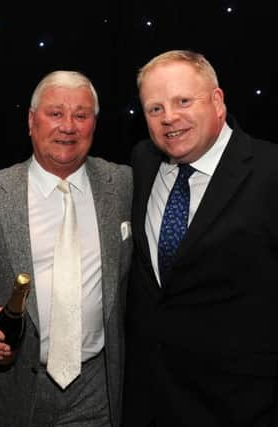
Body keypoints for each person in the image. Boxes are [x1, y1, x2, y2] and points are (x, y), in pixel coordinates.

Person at [0, 71, 132, 426]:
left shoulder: (123, 184)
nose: (68, 126)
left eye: (81, 115)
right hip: (14, 385)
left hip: (98, 385)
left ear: (94, 124)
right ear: (31, 121)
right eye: (55, 113)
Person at [123, 50, 278, 426]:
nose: (169, 118)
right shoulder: (142, 161)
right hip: (151, 400)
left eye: (183, 101)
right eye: (154, 109)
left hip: (243, 406)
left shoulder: (271, 171)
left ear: (218, 101)